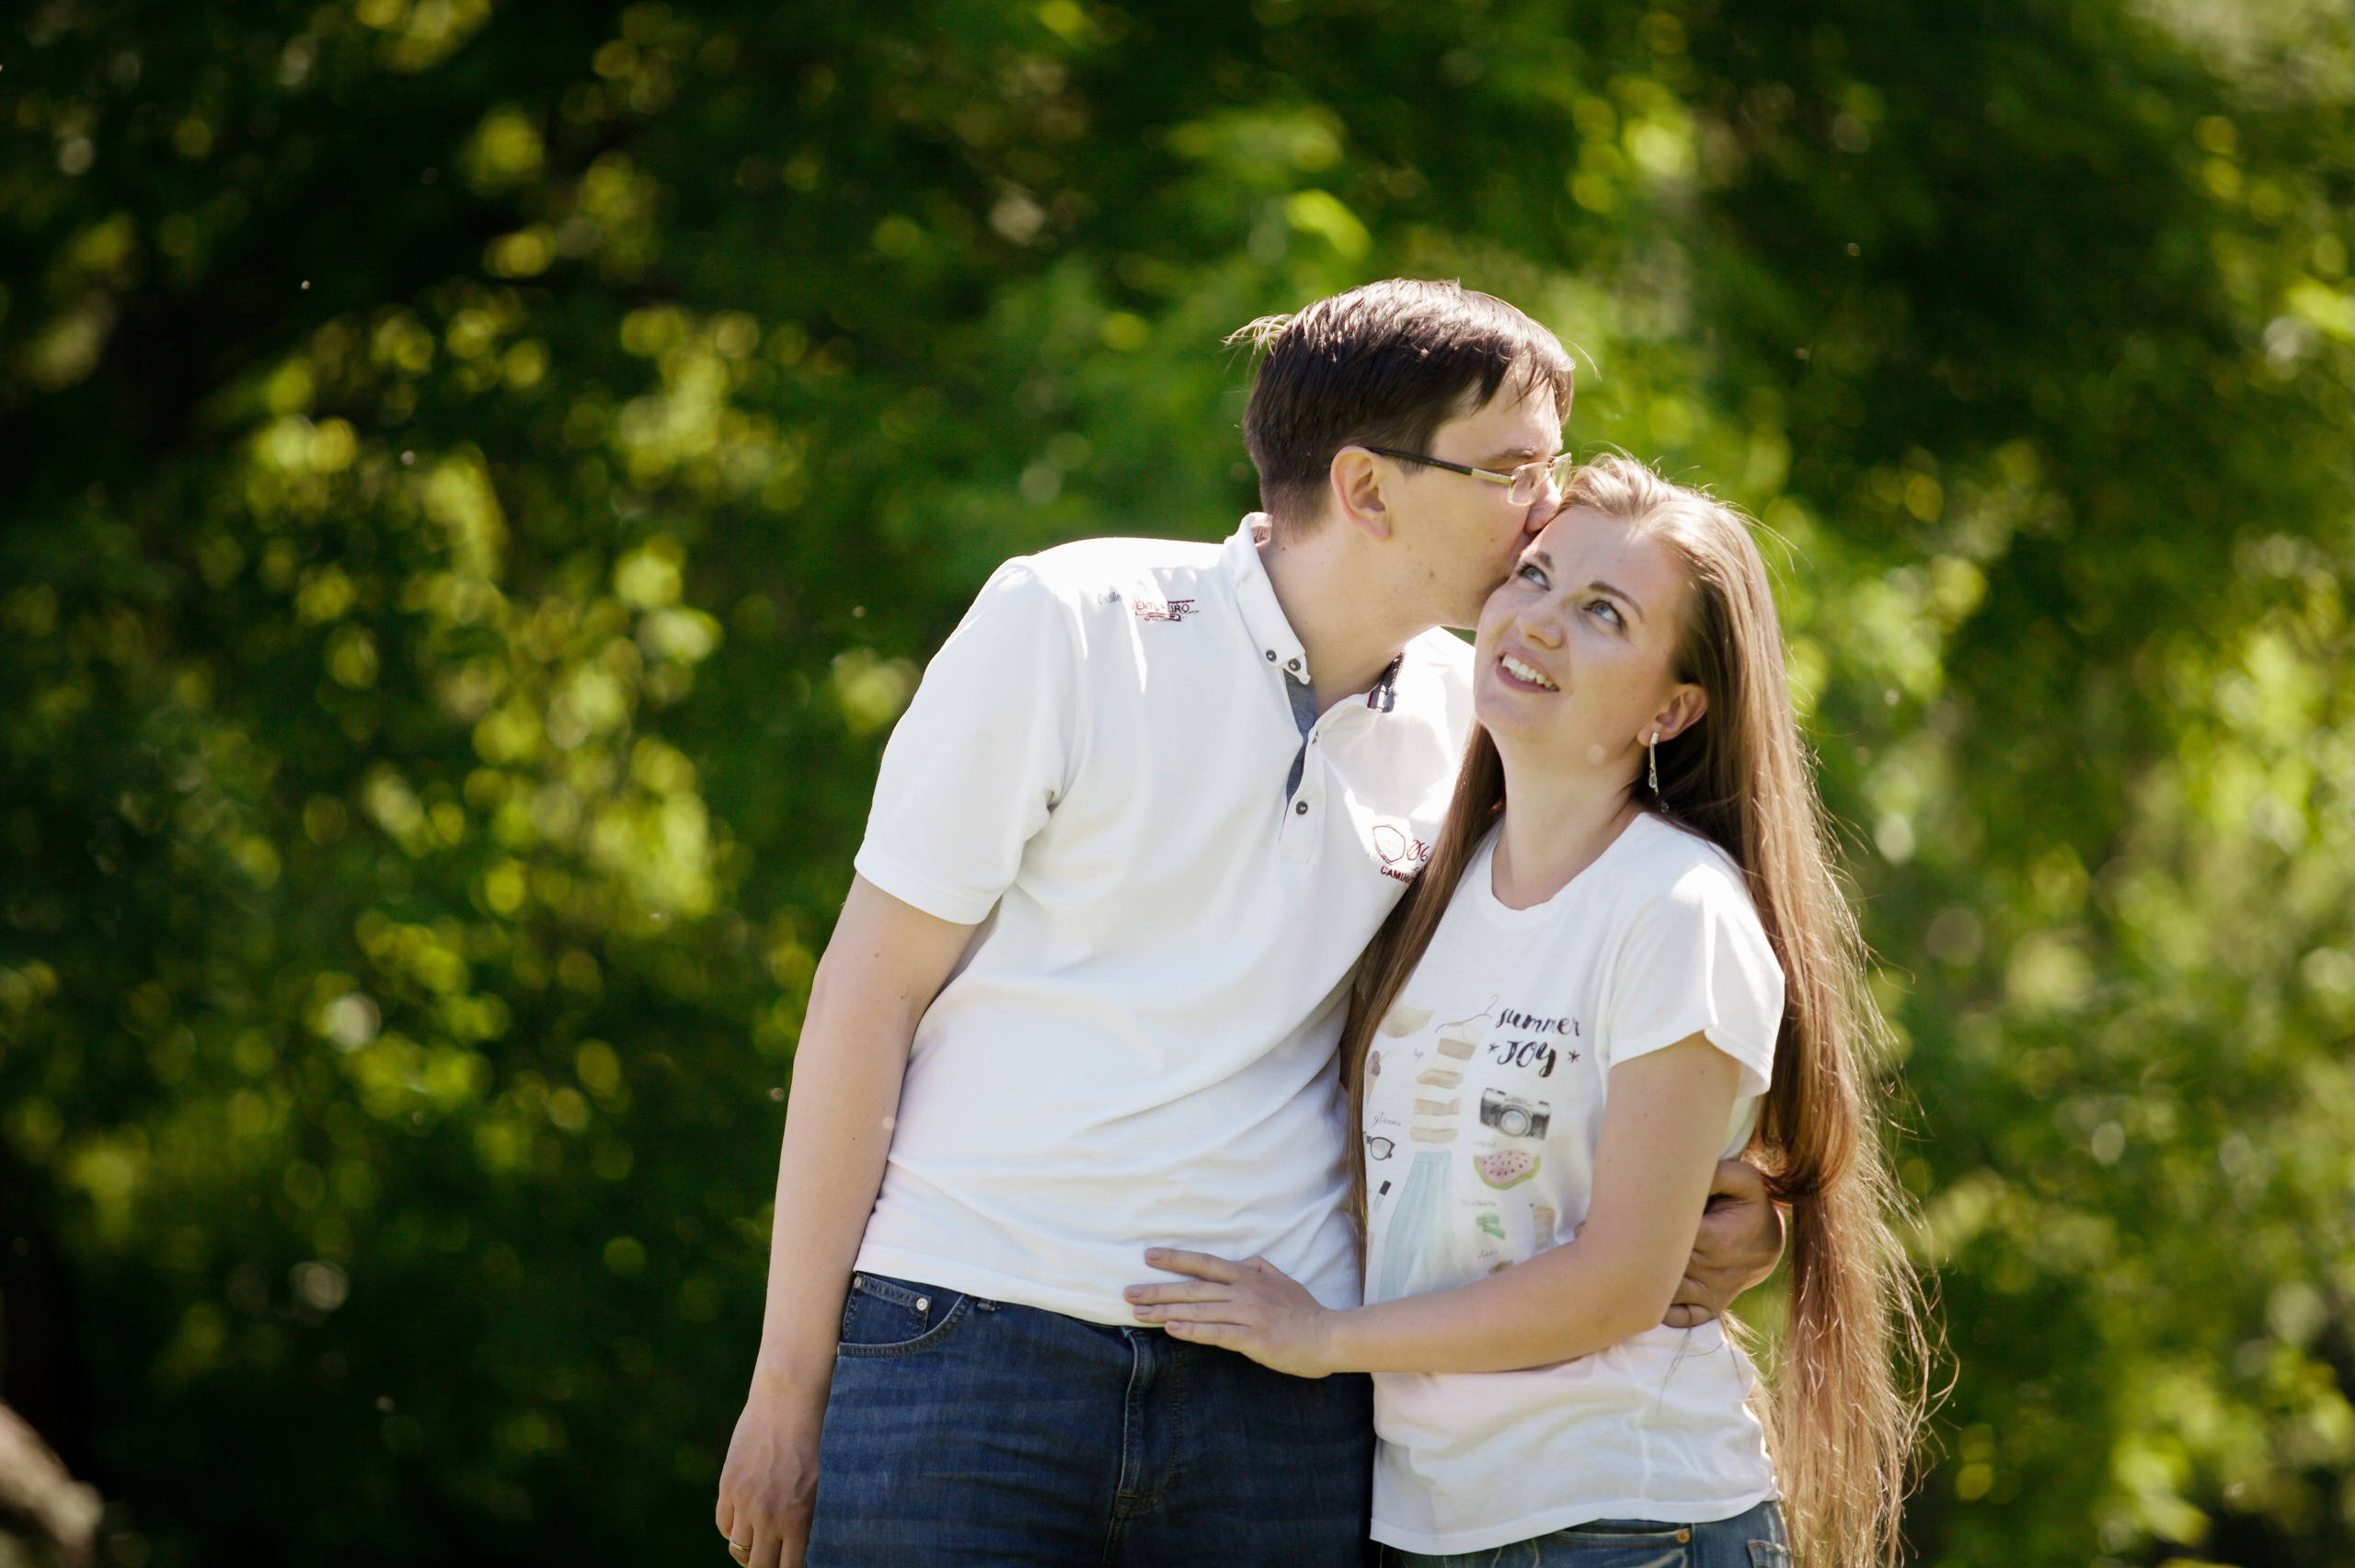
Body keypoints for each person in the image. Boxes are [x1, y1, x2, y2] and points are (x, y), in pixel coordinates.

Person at [713, 283, 1788, 1568]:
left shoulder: (1497, 718)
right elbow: (865, 997)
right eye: (1516, 471)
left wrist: (1739, 1210)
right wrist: (787, 1383)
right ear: (1369, 489)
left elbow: (1624, 990)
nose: (1548, 508)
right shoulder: (1071, 622)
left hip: (1278, 1398)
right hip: (969, 1336)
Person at [1125, 456, 1927, 1568]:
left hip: (1619, 1518)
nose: (1539, 622)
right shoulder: (1433, 885)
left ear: (1673, 707)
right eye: (1535, 575)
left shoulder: (1674, 909)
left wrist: (1324, 1337)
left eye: (1604, 613)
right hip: (1429, 1518)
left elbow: (1617, 1285)